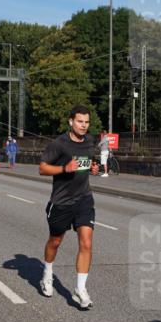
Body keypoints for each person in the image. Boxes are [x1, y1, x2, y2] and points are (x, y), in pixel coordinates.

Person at [38, 105, 100, 308]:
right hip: (61, 202)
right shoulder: (59, 144)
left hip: (84, 199)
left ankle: (80, 289)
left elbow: (88, 162)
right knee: (55, 242)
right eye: (80, 121)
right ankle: (47, 274)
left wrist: (93, 167)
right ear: (71, 122)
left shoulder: (90, 141)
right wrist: (64, 168)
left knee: (86, 243)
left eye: (87, 122)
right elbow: (43, 168)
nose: (84, 125)